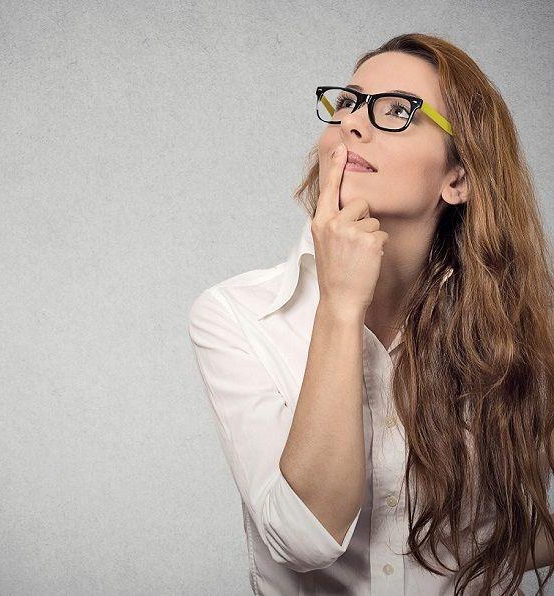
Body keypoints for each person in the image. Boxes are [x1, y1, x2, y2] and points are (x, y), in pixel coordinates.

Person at [188, 32, 554, 596]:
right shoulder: (236, 314)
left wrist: (481, 557)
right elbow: (304, 539)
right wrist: (340, 306)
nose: (353, 123)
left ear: (457, 178)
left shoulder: (520, 324)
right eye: (348, 102)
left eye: (397, 110)